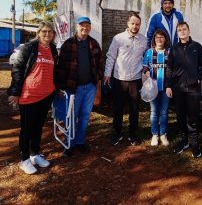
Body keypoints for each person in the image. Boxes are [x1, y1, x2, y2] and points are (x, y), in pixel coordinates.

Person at [7, 21, 58, 175]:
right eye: (44, 31)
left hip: (46, 94)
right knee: (27, 129)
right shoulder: (29, 48)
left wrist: (56, 89)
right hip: (29, 95)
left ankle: (35, 154)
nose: (47, 34)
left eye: (50, 31)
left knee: (38, 127)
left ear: (53, 34)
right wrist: (15, 92)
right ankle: (24, 159)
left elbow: (53, 71)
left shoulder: (53, 49)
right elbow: (17, 69)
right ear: (38, 32)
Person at [56, 17, 103, 157]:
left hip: (89, 87)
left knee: (85, 116)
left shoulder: (94, 44)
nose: (85, 28)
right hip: (72, 88)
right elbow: (60, 67)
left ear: (90, 27)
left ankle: (80, 142)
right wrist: (62, 87)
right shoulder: (68, 44)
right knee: (70, 117)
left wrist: (98, 83)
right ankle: (69, 144)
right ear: (77, 27)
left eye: (87, 25)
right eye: (82, 25)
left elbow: (100, 64)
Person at [104, 12, 147, 146]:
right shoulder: (118, 38)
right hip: (119, 79)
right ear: (128, 24)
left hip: (135, 80)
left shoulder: (144, 40)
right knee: (118, 108)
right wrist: (107, 74)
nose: (135, 26)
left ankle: (133, 135)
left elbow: (146, 58)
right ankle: (117, 134)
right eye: (133, 23)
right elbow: (111, 56)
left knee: (134, 109)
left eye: (138, 24)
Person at [166, 21, 202, 158]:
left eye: (184, 29)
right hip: (178, 89)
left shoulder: (197, 47)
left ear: (189, 31)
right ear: (177, 33)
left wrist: (198, 78)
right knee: (180, 116)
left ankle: (194, 143)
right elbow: (170, 69)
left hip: (193, 89)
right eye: (179, 30)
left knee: (193, 117)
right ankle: (183, 140)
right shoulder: (174, 49)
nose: (182, 32)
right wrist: (168, 85)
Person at [143, 29, 170, 147]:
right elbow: (144, 67)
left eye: (161, 37)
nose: (159, 39)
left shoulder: (169, 52)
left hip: (165, 88)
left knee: (164, 112)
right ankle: (155, 134)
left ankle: (163, 134)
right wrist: (147, 73)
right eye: (157, 37)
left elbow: (173, 69)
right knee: (154, 112)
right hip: (152, 88)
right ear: (154, 39)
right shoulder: (149, 52)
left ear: (165, 39)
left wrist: (170, 86)